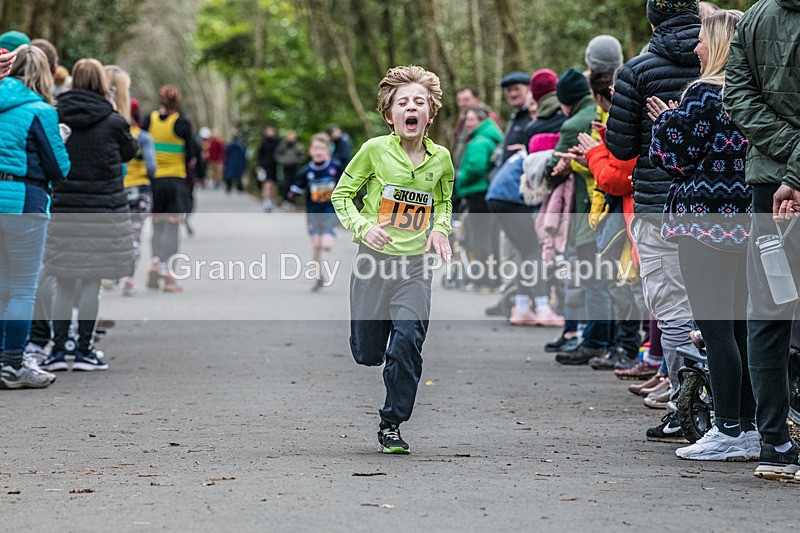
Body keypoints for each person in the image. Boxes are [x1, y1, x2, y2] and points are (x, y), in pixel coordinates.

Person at [647, 9, 758, 459]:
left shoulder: (702, 95)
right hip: (747, 222)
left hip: (702, 224)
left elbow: (671, 158)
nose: (695, 48)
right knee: (742, 328)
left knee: (714, 330)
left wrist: (666, 122)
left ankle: (726, 428)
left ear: (718, 46)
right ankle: (750, 427)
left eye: (701, 40)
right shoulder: (754, 96)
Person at [330, 65, 453, 454]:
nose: (411, 108)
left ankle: (391, 423)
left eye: (419, 102)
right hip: (373, 262)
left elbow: (446, 202)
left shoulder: (442, 159)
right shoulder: (373, 151)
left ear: (429, 115)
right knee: (368, 352)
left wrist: (440, 229)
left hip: (414, 267)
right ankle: (376, 345)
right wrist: (364, 228)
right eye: (403, 102)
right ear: (390, 115)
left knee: (407, 341)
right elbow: (340, 196)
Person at [605, 0, 701, 441]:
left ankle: (686, 405)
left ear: (651, 19)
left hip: (658, 203)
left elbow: (621, 150)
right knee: (718, 309)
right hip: (720, 206)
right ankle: (730, 413)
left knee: (672, 307)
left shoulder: (636, 71)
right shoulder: (727, 60)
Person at [724, 0, 800, 480]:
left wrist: (791, 162)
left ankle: (773, 443)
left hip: (768, 186)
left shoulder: (751, 18)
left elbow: (737, 97)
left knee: (769, 311)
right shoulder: (753, 18)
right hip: (780, 184)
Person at [39, 58, 135, 372]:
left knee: (63, 279)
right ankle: (83, 350)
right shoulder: (113, 121)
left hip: (64, 208)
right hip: (101, 211)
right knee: (91, 279)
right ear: (100, 83)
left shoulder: (54, 114)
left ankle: (57, 349)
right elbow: (128, 153)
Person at [0, 45, 70, 388]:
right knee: (22, 288)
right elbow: (60, 168)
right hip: (24, 204)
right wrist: (61, 140)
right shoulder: (40, 111)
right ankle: (13, 364)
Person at [142, 84, 194, 293]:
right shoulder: (182, 124)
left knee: (157, 225)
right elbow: (191, 153)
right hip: (176, 181)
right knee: (173, 226)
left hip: (155, 181)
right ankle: (169, 273)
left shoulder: (149, 120)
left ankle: (155, 261)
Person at [288, 133, 343, 291]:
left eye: (322, 149)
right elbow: (296, 188)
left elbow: (347, 184)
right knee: (316, 245)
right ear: (310, 151)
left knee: (326, 245)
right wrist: (292, 194)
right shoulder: (306, 171)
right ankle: (319, 276)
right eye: (315, 149)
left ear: (328, 152)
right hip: (313, 213)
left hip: (330, 212)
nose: (318, 152)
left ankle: (331, 232)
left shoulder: (335, 167)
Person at [457, 107, 502, 289]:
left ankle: (485, 279)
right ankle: (491, 277)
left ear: (482, 120)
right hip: (487, 193)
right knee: (490, 237)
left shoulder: (480, 141)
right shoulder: (490, 137)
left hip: (478, 193)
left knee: (480, 238)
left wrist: (459, 179)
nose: (468, 123)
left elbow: (476, 166)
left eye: (471, 119)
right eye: (467, 119)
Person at [120, 97, 156, 296]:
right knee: (136, 234)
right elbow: (152, 166)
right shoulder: (143, 137)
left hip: (119, 189)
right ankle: (129, 277)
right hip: (140, 189)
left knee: (119, 233)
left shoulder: (116, 133)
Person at [275, 130, 305, 204]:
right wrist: (283, 161)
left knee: (294, 183)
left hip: (294, 166)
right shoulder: (283, 145)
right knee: (286, 183)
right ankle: (285, 200)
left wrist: (297, 160)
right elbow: (277, 154)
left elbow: (302, 155)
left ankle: (293, 200)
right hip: (285, 166)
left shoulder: (298, 145)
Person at [257, 126, 281, 212]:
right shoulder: (263, 142)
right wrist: (259, 166)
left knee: (273, 183)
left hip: (275, 165)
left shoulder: (278, 142)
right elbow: (259, 155)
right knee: (267, 183)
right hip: (265, 165)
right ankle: (266, 200)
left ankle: (272, 199)